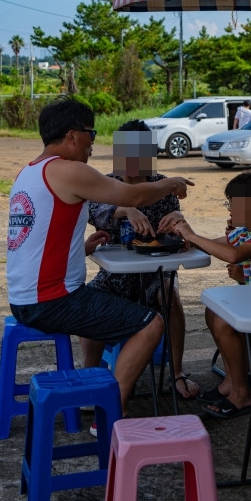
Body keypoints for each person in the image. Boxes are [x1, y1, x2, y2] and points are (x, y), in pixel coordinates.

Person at [6, 97, 193, 415]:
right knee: (150, 326)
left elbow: (35, 242)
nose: (93, 145)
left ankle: (102, 385)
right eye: (91, 135)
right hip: (51, 300)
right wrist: (170, 183)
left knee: (148, 304)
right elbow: (131, 195)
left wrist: (81, 248)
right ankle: (109, 409)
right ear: (72, 135)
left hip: (27, 297)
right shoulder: (68, 170)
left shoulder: (30, 171)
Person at [161, 172, 251, 419]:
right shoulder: (248, 229)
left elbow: (233, 255)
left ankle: (241, 394)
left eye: (233, 203)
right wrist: (187, 238)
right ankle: (232, 380)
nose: (229, 209)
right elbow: (223, 242)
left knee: (224, 320)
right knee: (213, 309)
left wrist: (192, 236)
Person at [83, 119, 200, 400]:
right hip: (115, 275)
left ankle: (177, 372)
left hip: (155, 273)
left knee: (170, 298)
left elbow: (176, 236)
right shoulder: (105, 183)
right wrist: (125, 209)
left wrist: (179, 222)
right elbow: (94, 212)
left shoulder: (162, 187)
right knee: (91, 301)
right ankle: (90, 375)